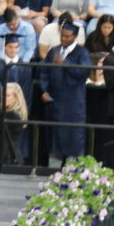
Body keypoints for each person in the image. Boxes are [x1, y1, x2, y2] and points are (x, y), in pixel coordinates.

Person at [40, 20, 92, 162]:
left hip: (73, 105)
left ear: (75, 37)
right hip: (54, 103)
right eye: (62, 35)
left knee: (72, 140)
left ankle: (72, 177)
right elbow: (44, 72)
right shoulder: (53, 51)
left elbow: (83, 74)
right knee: (54, 140)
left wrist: (65, 63)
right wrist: (44, 90)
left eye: (67, 36)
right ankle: (52, 175)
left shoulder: (82, 53)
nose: (63, 39)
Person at [0, 33, 34, 102]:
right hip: (2, 104)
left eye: (16, 47)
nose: (13, 50)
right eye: (10, 47)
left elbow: (26, 90)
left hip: (19, 105)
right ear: (4, 47)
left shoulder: (25, 67)